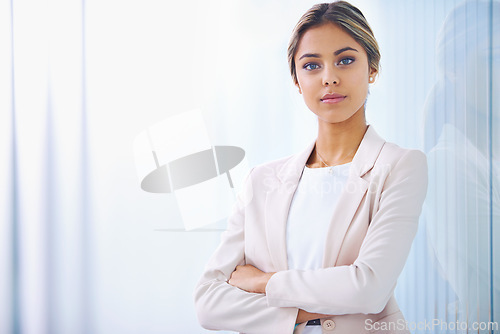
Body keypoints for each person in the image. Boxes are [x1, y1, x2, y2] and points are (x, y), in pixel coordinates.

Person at [194, 2, 427, 333]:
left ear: (372, 67)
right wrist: (308, 312)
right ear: (296, 79)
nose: (329, 78)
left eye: (345, 60)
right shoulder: (261, 181)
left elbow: (368, 288)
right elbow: (209, 303)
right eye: (312, 65)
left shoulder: (400, 166)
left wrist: (265, 282)